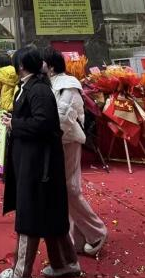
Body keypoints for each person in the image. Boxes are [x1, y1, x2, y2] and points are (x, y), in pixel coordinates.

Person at [0, 46, 79, 278]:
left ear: (21, 66)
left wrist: (15, 124)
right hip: (35, 161)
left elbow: (44, 123)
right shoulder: (31, 86)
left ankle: (21, 273)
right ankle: (65, 263)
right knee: (50, 213)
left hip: (39, 164)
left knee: (30, 214)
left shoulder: (38, 90)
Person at [44, 48, 107, 256]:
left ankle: (96, 232)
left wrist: (43, 132)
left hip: (67, 140)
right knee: (63, 190)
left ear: (50, 66)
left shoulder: (68, 85)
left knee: (69, 188)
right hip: (56, 140)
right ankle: (77, 238)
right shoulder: (51, 83)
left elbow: (64, 117)